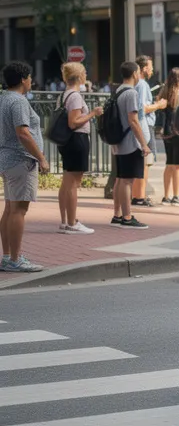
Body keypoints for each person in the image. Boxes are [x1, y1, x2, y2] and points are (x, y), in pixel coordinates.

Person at [0, 62, 50, 271]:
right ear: (22, 79)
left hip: (7, 159)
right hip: (21, 160)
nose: (31, 81)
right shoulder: (18, 101)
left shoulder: (3, 98)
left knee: (10, 209)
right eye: (29, 77)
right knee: (19, 210)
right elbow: (23, 132)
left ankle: (8, 256)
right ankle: (15, 259)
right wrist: (41, 158)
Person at [56, 62, 102, 234]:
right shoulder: (75, 96)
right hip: (77, 139)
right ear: (80, 76)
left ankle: (64, 221)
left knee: (66, 181)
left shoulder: (63, 95)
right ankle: (72, 222)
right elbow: (74, 122)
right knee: (73, 183)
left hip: (67, 141)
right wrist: (92, 113)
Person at [110, 61, 150, 230]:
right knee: (127, 181)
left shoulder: (118, 91)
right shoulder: (131, 93)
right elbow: (133, 120)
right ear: (135, 74)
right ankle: (127, 217)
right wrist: (143, 144)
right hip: (130, 143)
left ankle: (117, 214)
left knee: (120, 179)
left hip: (118, 141)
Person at [132, 56, 167, 208]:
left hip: (143, 125)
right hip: (145, 126)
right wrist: (158, 105)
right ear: (144, 68)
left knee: (145, 162)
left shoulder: (137, 84)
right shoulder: (142, 84)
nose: (152, 70)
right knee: (145, 162)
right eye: (151, 67)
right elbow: (142, 108)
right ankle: (139, 196)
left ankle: (138, 195)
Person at [158, 67, 179, 206]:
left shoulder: (163, 92)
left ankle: (166, 196)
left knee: (169, 163)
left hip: (166, 132)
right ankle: (177, 195)